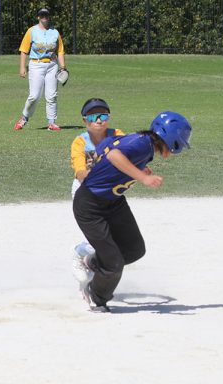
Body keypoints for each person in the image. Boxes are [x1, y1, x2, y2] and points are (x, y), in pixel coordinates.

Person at [72, 111, 192, 312]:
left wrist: (138, 168)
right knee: (114, 264)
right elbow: (113, 154)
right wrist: (142, 177)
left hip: (114, 203)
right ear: (171, 138)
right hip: (91, 206)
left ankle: (91, 260)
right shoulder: (142, 143)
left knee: (134, 249)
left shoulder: (143, 144)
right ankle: (96, 296)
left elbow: (105, 146)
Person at [70, 98, 124, 289]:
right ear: (85, 120)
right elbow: (80, 171)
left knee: (115, 240)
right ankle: (79, 253)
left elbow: (130, 155)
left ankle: (93, 273)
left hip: (109, 193)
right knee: (99, 241)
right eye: (94, 116)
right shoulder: (80, 142)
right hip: (85, 193)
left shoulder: (118, 135)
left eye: (104, 115)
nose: (99, 120)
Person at [15, 7, 66, 132]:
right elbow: (23, 50)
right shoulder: (31, 31)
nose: (44, 17)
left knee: (52, 95)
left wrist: (63, 67)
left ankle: (52, 123)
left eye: (46, 15)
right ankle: (24, 118)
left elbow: (60, 51)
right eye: (42, 15)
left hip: (52, 65)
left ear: (49, 17)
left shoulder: (55, 32)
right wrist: (22, 67)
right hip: (36, 65)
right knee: (34, 96)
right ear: (38, 17)